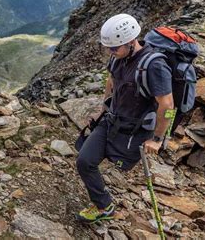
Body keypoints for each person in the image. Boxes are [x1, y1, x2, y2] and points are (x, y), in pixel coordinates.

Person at [75, 13, 174, 223]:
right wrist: (103, 107)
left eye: (114, 48)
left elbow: (167, 105)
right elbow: (111, 80)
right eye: (109, 48)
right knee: (84, 160)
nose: (110, 52)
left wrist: (157, 139)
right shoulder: (118, 57)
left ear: (131, 42)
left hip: (134, 129)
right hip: (112, 121)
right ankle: (104, 206)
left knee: (118, 164)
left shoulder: (154, 66)